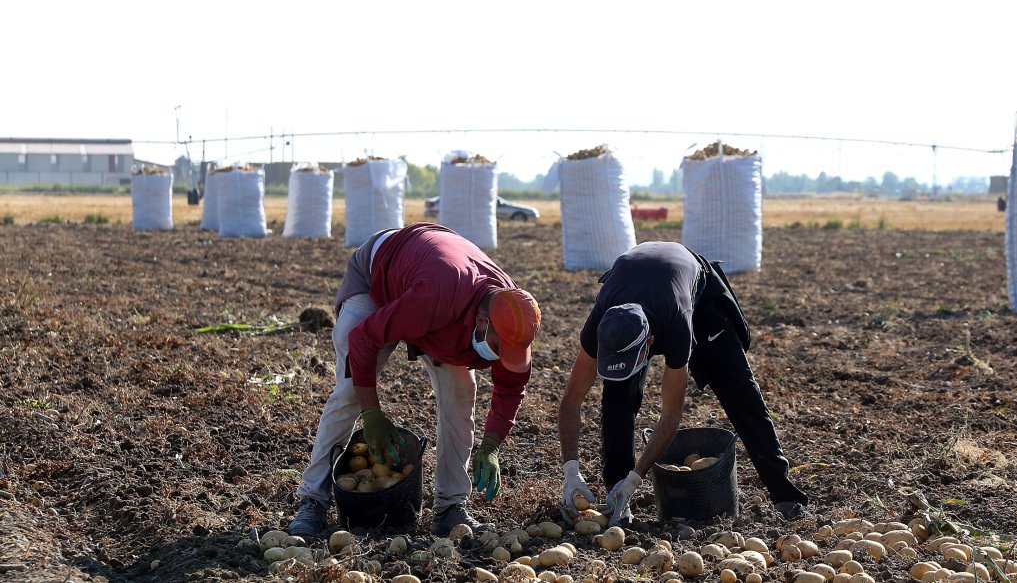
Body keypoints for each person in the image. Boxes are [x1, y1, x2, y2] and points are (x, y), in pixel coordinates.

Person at [288, 222, 541, 537]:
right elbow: (363, 340)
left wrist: (491, 445)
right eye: (499, 348)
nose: (503, 357)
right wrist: (372, 413)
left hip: (435, 297)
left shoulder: (512, 318)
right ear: (480, 322)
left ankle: (451, 507)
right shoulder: (437, 296)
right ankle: (312, 499)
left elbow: (511, 387)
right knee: (352, 390)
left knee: (462, 390)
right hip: (379, 275)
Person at [557, 241, 808, 523]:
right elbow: (571, 400)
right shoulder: (601, 327)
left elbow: (670, 413)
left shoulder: (677, 325)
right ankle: (616, 493)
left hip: (699, 301)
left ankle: (785, 496)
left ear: (649, 343)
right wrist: (571, 470)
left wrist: (636, 479)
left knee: (740, 393)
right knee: (617, 397)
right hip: (638, 285)